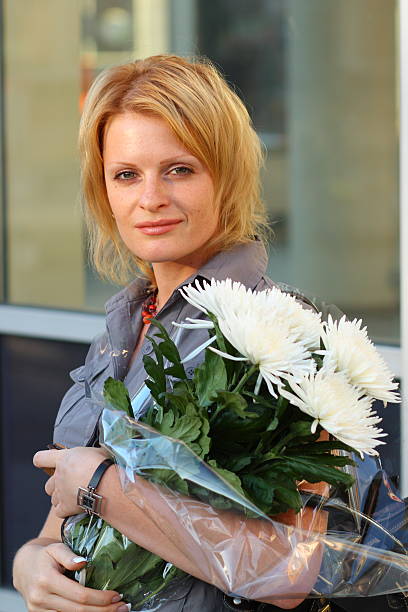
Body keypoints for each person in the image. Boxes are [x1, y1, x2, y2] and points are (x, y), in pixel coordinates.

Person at [12, 55, 327, 612]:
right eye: (126, 174)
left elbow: (285, 572)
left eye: (179, 169)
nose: (150, 198)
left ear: (225, 175)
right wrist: (33, 560)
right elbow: (64, 512)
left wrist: (105, 485)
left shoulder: (278, 335)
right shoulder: (121, 327)